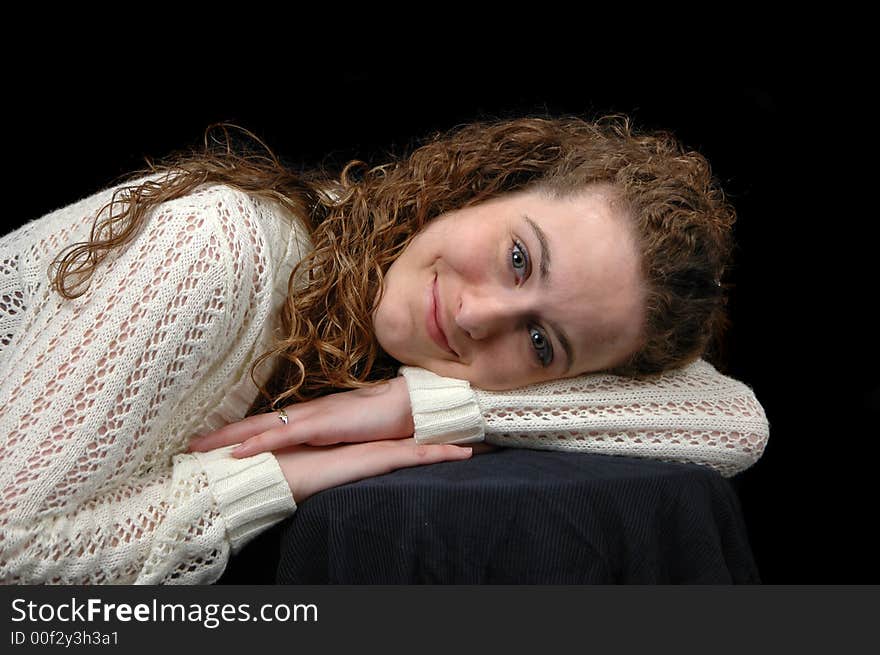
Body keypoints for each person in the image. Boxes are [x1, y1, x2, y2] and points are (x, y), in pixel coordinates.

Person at [0, 113, 769, 584]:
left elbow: (733, 423)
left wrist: (427, 405)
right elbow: (13, 563)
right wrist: (268, 478)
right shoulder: (223, 247)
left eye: (540, 341)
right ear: (489, 186)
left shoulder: (371, 328)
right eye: (518, 259)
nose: (476, 315)